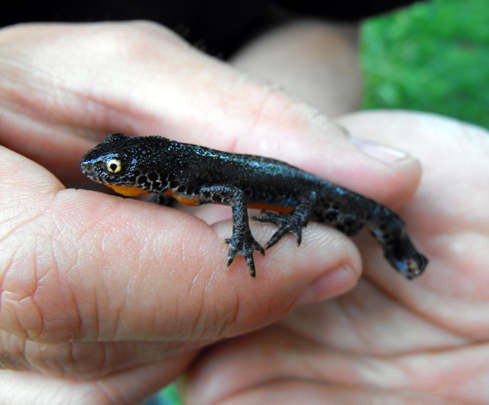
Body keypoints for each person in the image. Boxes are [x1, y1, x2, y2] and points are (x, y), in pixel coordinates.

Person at [0, 5, 488, 405]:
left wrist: (242, 234)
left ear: (149, 172)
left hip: (303, 190)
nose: (108, 173)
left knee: (360, 217)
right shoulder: (172, 175)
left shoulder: (189, 174)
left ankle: (397, 247)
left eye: (115, 170)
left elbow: (233, 193)